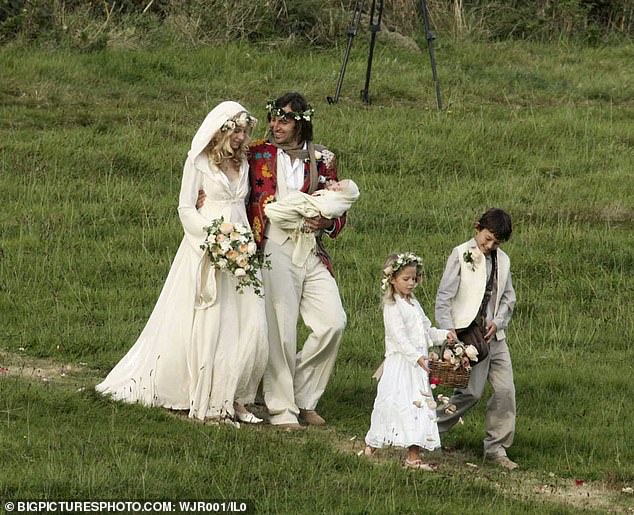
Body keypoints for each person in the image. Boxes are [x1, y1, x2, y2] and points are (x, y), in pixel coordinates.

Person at [96, 101, 268, 425]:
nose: (241, 137)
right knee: (213, 320)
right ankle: (201, 392)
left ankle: (236, 395)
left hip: (240, 243)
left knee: (250, 322)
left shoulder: (243, 163)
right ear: (222, 130)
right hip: (208, 244)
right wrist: (212, 236)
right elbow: (185, 208)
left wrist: (239, 242)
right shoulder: (199, 163)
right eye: (237, 130)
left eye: (245, 131)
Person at [248, 92, 348, 429]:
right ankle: (282, 409)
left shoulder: (323, 158)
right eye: (273, 118)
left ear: (301, 122)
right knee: (282, 328)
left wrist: (328, 222)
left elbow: (338, 203)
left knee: (333, 322)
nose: (276, 126)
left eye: (284, 120)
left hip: (311, 247)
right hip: (274, 243)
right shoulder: (258, 152)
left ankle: (303, 395)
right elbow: (228, 168)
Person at [435, 208, 518, 469]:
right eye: (487, 238)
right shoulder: (460, 254)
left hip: (495, 336)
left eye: (496, 242)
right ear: (477, 228)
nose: (490, 245)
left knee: (505, 391)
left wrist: (499, 321)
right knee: (470, 392)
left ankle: (496, 448)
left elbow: (508, 298)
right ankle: (428, 430)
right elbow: (444, 298)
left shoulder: (503, 261)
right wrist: (448, 332)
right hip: (468, 337)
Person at [364, 253, 452, 470]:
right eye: (406, 279)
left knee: (418, 407)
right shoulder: (393, 306)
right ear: (393, 279)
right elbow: (399, 338)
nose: (411, 283)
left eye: (414, 278)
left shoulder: (414, 303)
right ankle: (373, 444)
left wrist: (444, 335)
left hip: (418, 368)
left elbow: (425, 330)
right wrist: (418, 357)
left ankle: (413, 454)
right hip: (402, 365)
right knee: (394, 405)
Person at [263, 178, 360, 267]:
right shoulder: (264, 159)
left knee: (327, 286)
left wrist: (328, 223)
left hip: (312, 246)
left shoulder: (323, 161)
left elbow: (342, 200)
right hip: (274, 241)